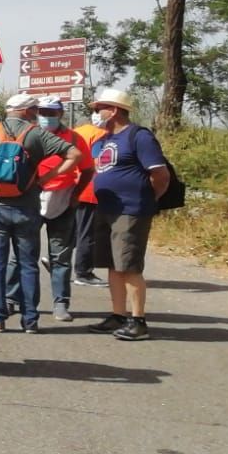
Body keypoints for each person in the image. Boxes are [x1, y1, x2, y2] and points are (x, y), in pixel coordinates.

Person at [0, 94, 82, 334]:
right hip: (26, 207)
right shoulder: (37, 134)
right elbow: (74, 155)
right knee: (28, 264)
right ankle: (30, 321)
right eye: (36, 109)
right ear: (28, 111)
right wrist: (44, 179)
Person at [83, 88, 170, 341]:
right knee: (113, 265)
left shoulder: (139, 137)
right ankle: (118, 315)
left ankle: (138, 320)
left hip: (131, 210)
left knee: (129, 266)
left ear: (115, 110)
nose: (96, 113)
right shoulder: (104, 140)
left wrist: (149, 199)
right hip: (107, 209)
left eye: (100, 108)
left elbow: (160, 175)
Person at [3, 96, 92, 323]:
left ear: (60, 114)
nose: (46, 117)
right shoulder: (29, 135)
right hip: (31, 199)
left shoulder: (74, 138)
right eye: (42, 112)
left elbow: (88, 169)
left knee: (60, 256)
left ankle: (61, 303)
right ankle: (11, 299)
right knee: (21, 254)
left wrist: (76, 195)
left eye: (51, 113)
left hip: (63, 200)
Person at [71, 110, 108, 288]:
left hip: (70, 184)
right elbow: (100, 161)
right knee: (87, 232)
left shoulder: (75, 132)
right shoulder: (101, 135)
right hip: (90, 187)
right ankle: (83, 272)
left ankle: (56, 260)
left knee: (71, 228)